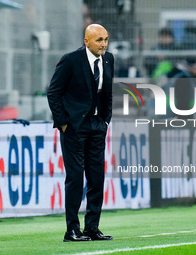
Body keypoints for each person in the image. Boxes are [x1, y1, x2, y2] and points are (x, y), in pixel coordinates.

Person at [47, 24, 113, 242]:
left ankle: (92, 228)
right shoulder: (71, 60)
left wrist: (105, 120)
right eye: (98, 40)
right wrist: (64, 123)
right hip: (75, 128)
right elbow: (54, 92)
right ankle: (71, 230)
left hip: (97, 126)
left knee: (97, 177)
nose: (103, 44)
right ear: (86, 41)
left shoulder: (108, 59)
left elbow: (108, 92)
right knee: (75, 178)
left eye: (105, 39)